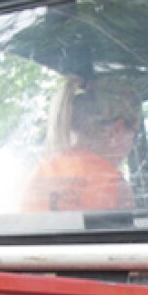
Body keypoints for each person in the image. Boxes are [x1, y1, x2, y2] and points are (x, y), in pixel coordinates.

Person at [24, 77, 138, 212]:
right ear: (116, 131)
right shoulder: (112, 184)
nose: (132, 145)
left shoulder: (37, 175)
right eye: (135, 135)